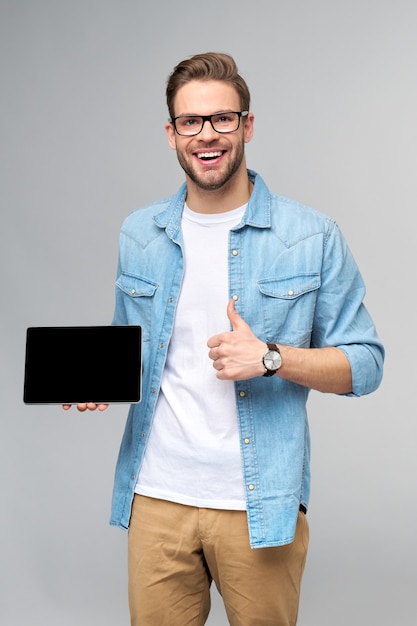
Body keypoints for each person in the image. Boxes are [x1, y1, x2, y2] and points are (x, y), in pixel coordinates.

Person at [64, 52, 384, 625]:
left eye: (222, 119)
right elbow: (134, 346)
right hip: (157, 498)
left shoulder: (310, 235)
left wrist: (270, 357)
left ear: (247, 126)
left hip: (256, 506)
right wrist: (98, 380)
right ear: (171, 133)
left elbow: (366, 364)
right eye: (191, 121)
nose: (206, 136)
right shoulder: (140, 232)